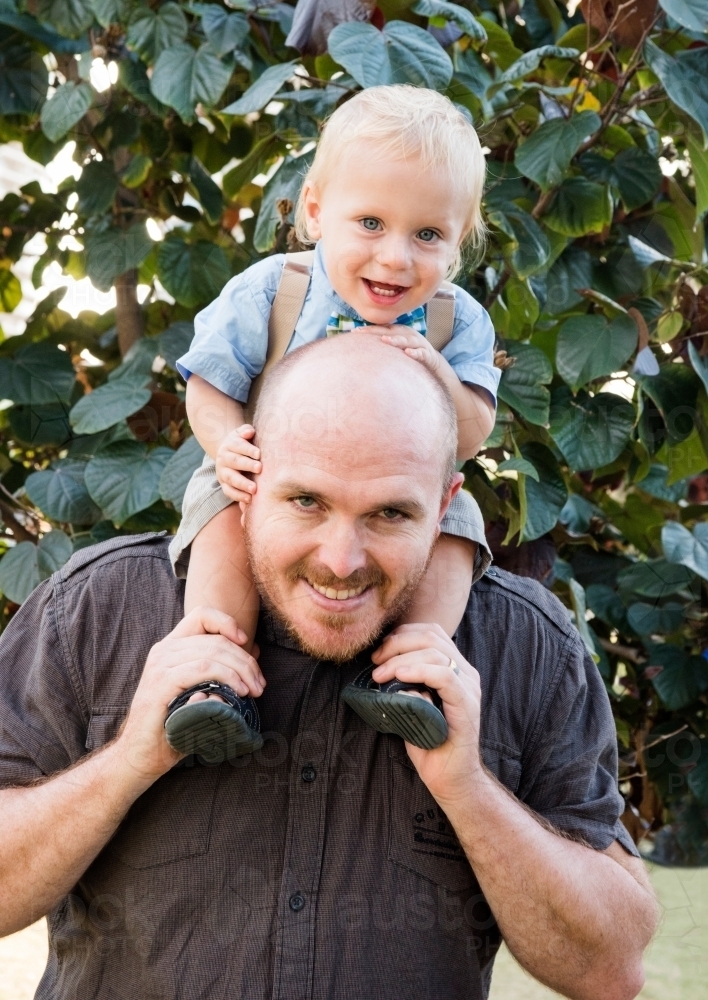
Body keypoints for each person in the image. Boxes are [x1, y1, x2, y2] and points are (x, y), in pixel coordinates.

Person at [0, 336, 658, 1000]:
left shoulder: (529, 647)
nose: (341, 561)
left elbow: (607, 969)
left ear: (444, 505)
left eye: (390, 513)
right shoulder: (99, 609)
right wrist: (128, 760)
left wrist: (470, 791)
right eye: (306, 502)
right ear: (246, 480)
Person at [166, 84, 501, 759]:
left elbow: (469, 435)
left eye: (427, 234)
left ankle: (415, 671)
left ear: (459, 243)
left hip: (398, 485)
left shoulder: (454, 320)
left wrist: (434, 370)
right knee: (223, 517)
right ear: (316, 210)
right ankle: (213, 674)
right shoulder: (274, 290)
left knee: (457, 528)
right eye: (370, 223)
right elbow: (208, 381)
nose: (395, 258)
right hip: (270, 466)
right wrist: (225, 441)